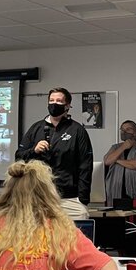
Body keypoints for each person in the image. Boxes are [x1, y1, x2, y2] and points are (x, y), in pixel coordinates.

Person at [16, 87, 93, 219]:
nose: (54, 104)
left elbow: (85, 165)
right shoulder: (36, 128)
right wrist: (34, 150)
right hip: (38, 196)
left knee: (77, 230)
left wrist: (83, 199)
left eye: (58, 101)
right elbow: (19, 157)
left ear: (67, 105)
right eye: (51, 100)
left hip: (69, 197)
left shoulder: (77, 130)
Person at [103, 120, 136, 205]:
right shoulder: (115, 147)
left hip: (134, 188)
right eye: (122, 130)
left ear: (135, 132)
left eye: (128, 129)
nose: (124, 132)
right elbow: (107, 161)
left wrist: (116, 160)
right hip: (115, 188)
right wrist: (123, 147)